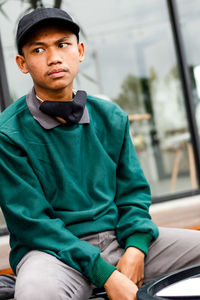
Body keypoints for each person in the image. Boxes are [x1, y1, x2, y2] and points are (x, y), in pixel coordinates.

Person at [0, 7, 199, 300]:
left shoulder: (110, 116)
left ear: (79, 51)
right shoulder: (8, 133)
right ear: (22, 63)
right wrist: (106, 274)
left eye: (62, 44)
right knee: (36, 293)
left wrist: (136, 248)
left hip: (118, 237)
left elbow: (133, 195)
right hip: (53, 254)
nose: (53, 57)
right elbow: (35, 225)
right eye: (39, 49)